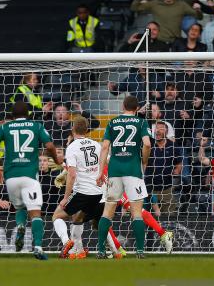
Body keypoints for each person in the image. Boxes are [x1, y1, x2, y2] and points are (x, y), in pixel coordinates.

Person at [0, 101, 62, 260]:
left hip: (11, 176)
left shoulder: (5, 127)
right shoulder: (36, 125)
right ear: (28, 114)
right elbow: (49, 146)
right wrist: (56, 159)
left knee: (19, 207)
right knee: (35, 213)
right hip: (30, 175)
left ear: (12, 115)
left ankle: (20, 226)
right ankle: (37, 247)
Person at [96, 95, 152, 259]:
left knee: (108, 211)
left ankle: (100, 250)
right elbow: (147, 144)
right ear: (136, 109)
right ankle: (140, 251)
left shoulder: (113, 122)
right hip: (133, 170)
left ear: (122, 107)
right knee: (136, 212)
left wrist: (100, 172)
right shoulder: (141, 122)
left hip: (114, 171)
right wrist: (144, 162)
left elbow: (105, 146)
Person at [52, 117, 107, 259]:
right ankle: (78, 250)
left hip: (83, 191)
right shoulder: (97, 145)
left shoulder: (72, 147)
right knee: (78, 217)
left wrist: (65, 198)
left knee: (57, 216)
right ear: (87, 130)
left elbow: (71, 175)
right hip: (98, 193)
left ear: (73, 129)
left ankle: (66, 242)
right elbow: (104, 164)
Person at [130, 0, 203, 44]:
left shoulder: (182, 5)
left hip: (176, 42)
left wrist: (198, 10)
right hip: (159, 42)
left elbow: (199, 17)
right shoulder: (155, 4)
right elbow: (134, 8)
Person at [145, 122, 183, 213]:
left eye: (161, 128)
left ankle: (166, 227)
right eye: (156, 128)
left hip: (166, 187)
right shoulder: (149, 144)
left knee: (170, 211)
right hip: (149, 187)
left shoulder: (172, 146)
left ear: (166, 131)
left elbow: (179, 163)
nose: (157, 130)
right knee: (148, 212)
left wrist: (177, 171)